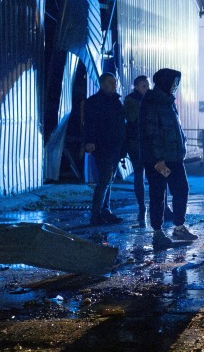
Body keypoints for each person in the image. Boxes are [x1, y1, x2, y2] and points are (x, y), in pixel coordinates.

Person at [140, 68, 197, 248]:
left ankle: (178, 227)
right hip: (159, 159)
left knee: (181, 190)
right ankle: (158, 232)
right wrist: (158, 159)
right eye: (174, 82)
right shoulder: (152, 101)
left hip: (173, 157)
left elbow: (174, 129)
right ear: (166, 82)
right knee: (158, 194)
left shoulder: (168, 101)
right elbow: (151, 132)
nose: (176, 86)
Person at [83, 72, 127, 226]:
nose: (113, 85)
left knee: (108, 180)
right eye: (110, 83)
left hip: (115, 146)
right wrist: (89, 141)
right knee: (104, 180)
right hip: (103, 146)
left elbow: (121, 124)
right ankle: (97, 214)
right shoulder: (94, 102)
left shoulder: (116, 101)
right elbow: (89, 124)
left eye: (114, 83)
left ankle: (104, 211)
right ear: (102, 84)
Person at [123, 74, 150, 227]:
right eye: (143, 86)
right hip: (136, 142)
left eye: (147, 85)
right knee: (139, 174)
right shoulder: (131, 100)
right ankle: (142, 206)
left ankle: (159, 206)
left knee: (154, 174)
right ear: (137, 87)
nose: (146, 88)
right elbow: (132, 118)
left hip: (148, 141)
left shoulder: (149, 99)